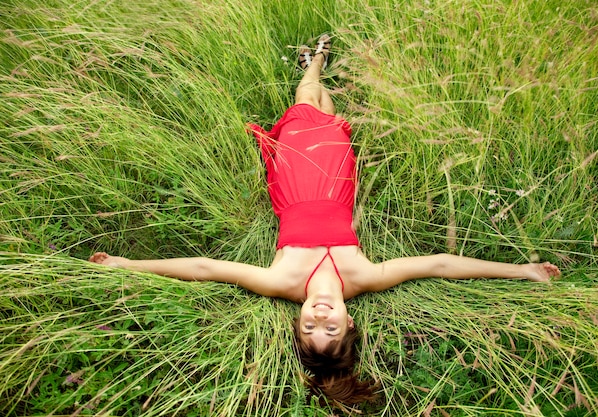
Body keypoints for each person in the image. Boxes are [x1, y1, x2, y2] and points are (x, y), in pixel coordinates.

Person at [89, 34, 561, 405]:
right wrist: (522, 270)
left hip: (297, 176)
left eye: (308, 329)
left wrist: (126, 265)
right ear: (351, 323)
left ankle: (315, 62)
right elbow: (439, 264)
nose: (319, 319)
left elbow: (204, 270)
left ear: (294, 324)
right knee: (324, 111)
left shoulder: (282, 281)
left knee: (305, 102)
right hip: (336, 179)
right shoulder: (363, 278)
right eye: (331, 330)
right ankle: (316, 62)